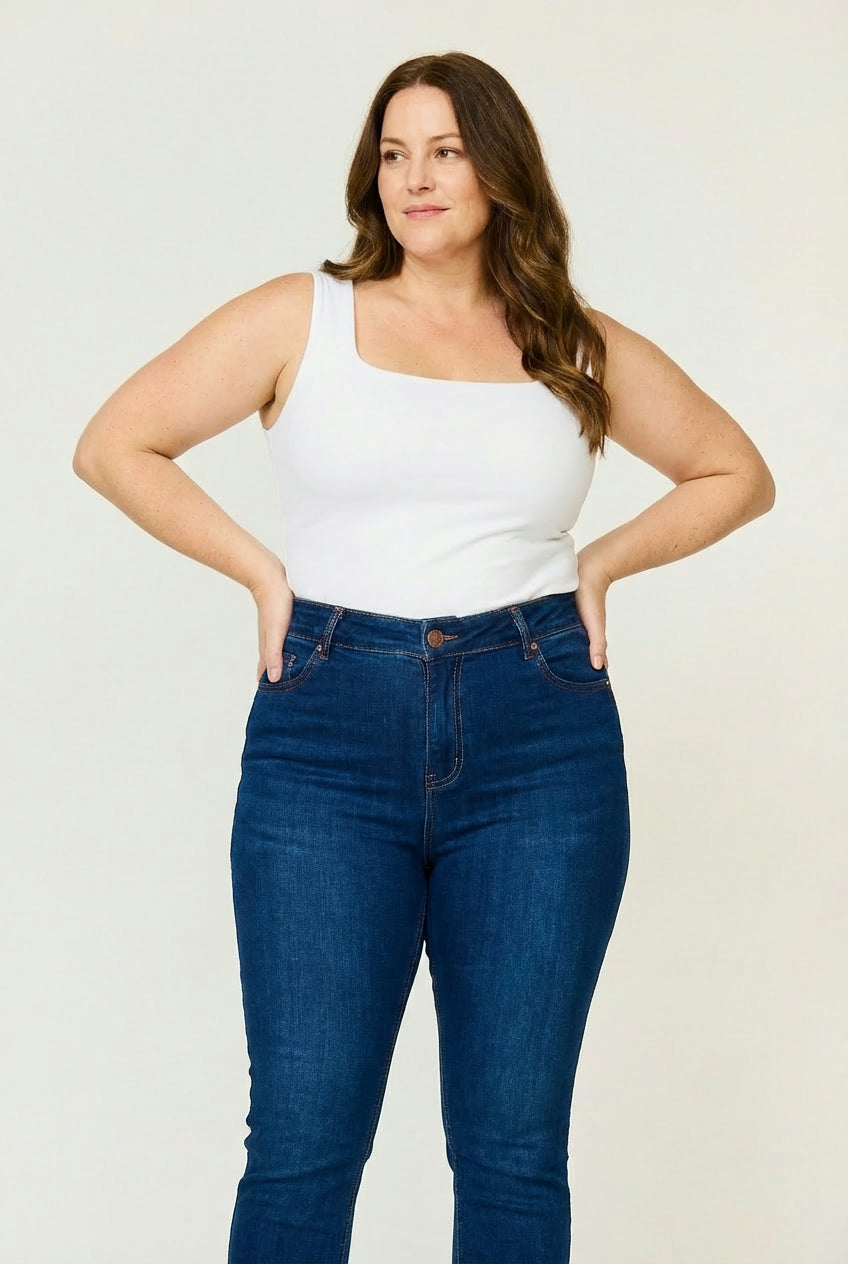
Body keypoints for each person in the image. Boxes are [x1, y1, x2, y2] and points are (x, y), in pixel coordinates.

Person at [72, 49, 775, 1264]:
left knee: (511, 1153)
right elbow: (115, 444)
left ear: (498, 169)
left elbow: (734, 473)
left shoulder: (568, 341)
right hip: (326, 736)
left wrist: (599, 566)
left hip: (538, 736)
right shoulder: (300, 316)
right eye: (394, 154)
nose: (416, 177)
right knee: (301, 1144)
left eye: (445, 151)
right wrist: (263, 574)